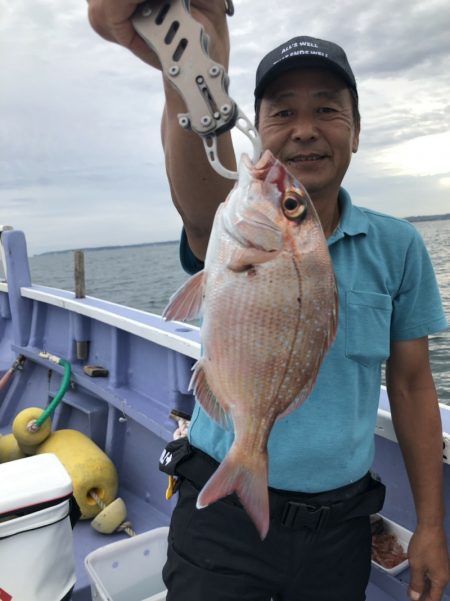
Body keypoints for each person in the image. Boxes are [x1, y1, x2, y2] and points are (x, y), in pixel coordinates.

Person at [88, 2, 450, 600]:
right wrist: (190, 76)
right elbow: (198, 196)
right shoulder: (232, 220)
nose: (305, 127)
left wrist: (431, 527)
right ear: (254, 126)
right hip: (219, 522)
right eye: (282, 112)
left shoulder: (399, 246)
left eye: (328, 110)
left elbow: (412, 385)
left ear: (356, 131)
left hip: (338, 529)